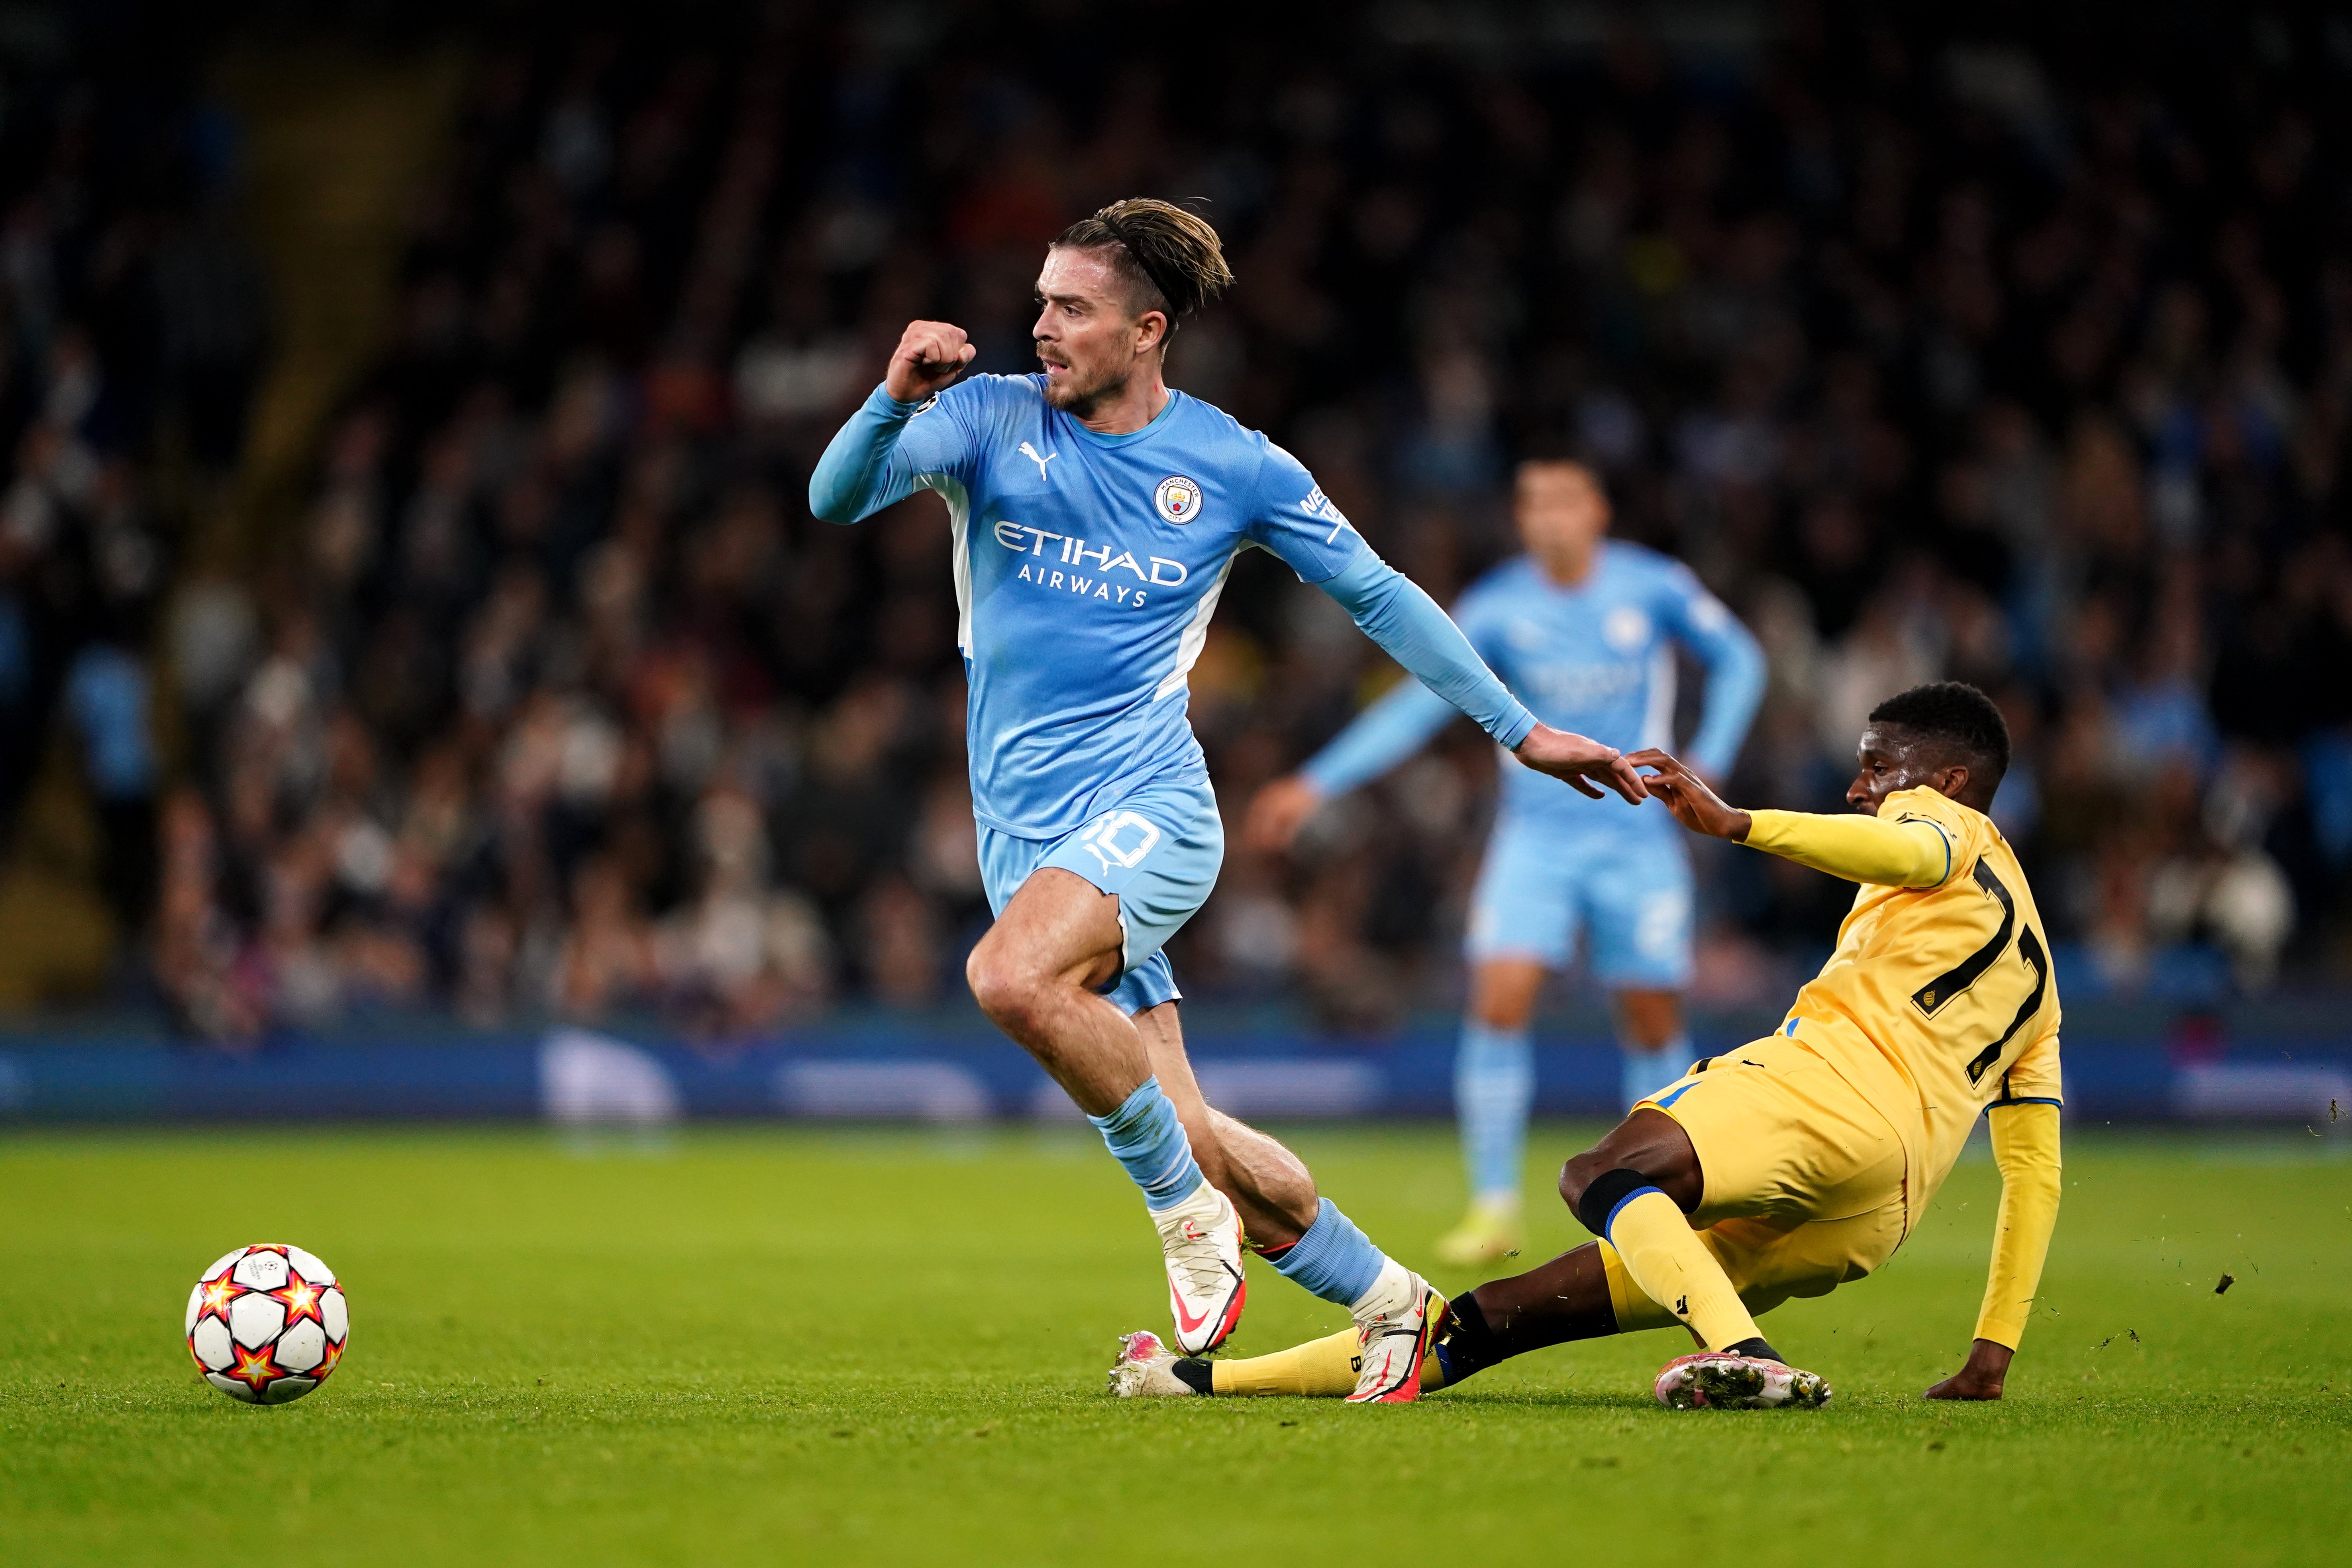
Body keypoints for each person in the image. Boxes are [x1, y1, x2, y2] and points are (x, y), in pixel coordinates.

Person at [807, 198, 1644, 1403]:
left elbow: (1381, 594)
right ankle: (1395, 1305)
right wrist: (893, 394)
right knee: (1196, 1133)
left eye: (1071, 308)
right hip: (1029, 836)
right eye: (1039, 300)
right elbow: (839, 499)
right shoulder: (984, 418)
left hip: (1152, 808)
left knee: (1005, 978)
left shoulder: (1235, 465)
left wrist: (1519, 731)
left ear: (1147, 330)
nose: (1039, 325)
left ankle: (1179, 1216)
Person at [1114, 682, 2062, 1409]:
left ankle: (1745, 1359)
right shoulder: (2041, 984)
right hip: (1875, 1215)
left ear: (1949, 781)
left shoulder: (1951, 827)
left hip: (1827, 1094)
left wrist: (1740, 826)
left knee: (1599, 1176)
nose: (1862, 789)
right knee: (1495, 1319)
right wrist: (1993, 1351)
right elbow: (2035, 1174)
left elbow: (1918, 851)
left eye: (1879, 769)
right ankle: (1200, 1383)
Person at [1246, 459, 1764, 1266]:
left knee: (1653, 1017)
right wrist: (1317, 782)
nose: (1548, 518)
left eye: (1562, 501)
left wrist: (1715, 756)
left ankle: (1664, 1201)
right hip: (1536, 842)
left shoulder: (1653, 586)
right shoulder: (1498, 607)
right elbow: (1423, 702)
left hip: (1636, 839)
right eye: (1531, 505)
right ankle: (1493, 1207)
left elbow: (1741, 660)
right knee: (1497, 999)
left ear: (1596, 509)